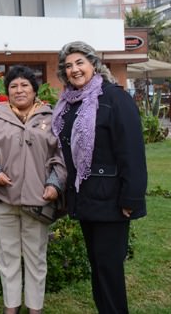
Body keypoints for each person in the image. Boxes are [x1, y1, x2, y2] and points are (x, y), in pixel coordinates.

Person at [52, 41, 147, 314]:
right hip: (85, 199)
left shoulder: (115, 98)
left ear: (94, 64)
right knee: (98, 266)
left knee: (109, 269)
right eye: (68, 66)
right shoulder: (69, 103)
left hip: (112, 201)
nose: (74, 69)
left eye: (80, 62)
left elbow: (131, 151)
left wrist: (131, 198)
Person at [0, 65, 66, 314]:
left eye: (24, 85)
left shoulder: (50, 118)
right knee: (7, 255)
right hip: (3, 200)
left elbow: (62, 156)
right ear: (7, 91)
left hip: (38, 201)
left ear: (34, 90)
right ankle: (11, 305)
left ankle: (35, 307)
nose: (19, 90)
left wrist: (54, 184)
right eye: (13, 86)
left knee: (35, 256)